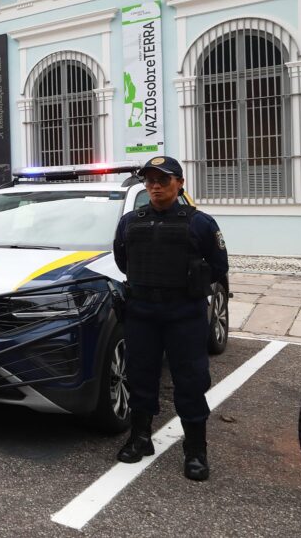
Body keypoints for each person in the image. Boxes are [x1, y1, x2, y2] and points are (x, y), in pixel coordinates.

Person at [113, 156, 228, 482]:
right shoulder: (130, 222)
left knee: (190, 381)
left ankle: (195, 450)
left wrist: (187, 285)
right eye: (150, 180)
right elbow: (123, 261)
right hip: (142, 313)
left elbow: (218, 266)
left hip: (184, 314)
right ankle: (140, 438)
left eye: (163, 180)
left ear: (179, 183)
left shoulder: (200, 223)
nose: (155, 186)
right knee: (140, 375)